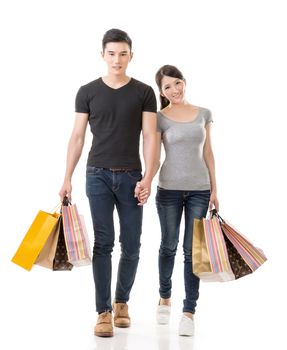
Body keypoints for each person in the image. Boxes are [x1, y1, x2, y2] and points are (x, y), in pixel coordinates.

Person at [59, 28, 157, 337]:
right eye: (111, 53)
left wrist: (148, 177)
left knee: (131, 244)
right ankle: (103, 312)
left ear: (131, 56)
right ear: (103, 55)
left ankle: (121, 303)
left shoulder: (143, 92)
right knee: (103, 243)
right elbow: (77, 137)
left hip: (131, 177)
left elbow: (151, 137)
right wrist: (66, 178)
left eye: (123, 53)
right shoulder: (87, 91)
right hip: (97, 175)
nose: (117, 59)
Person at [152, 65, 219, 336]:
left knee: (192, 252)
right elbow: (154, 157)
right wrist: (145, 182)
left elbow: (209, 152)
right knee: (168, 246)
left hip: (200, 191)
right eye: (167, 87)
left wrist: (215, 189)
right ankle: (164, 296)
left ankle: (189, 311)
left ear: (184, 82)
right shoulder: (159, 117)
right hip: (168, 189)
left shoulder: (204, 114)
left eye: (177, 83)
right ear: (162, 92)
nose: (174, 90)